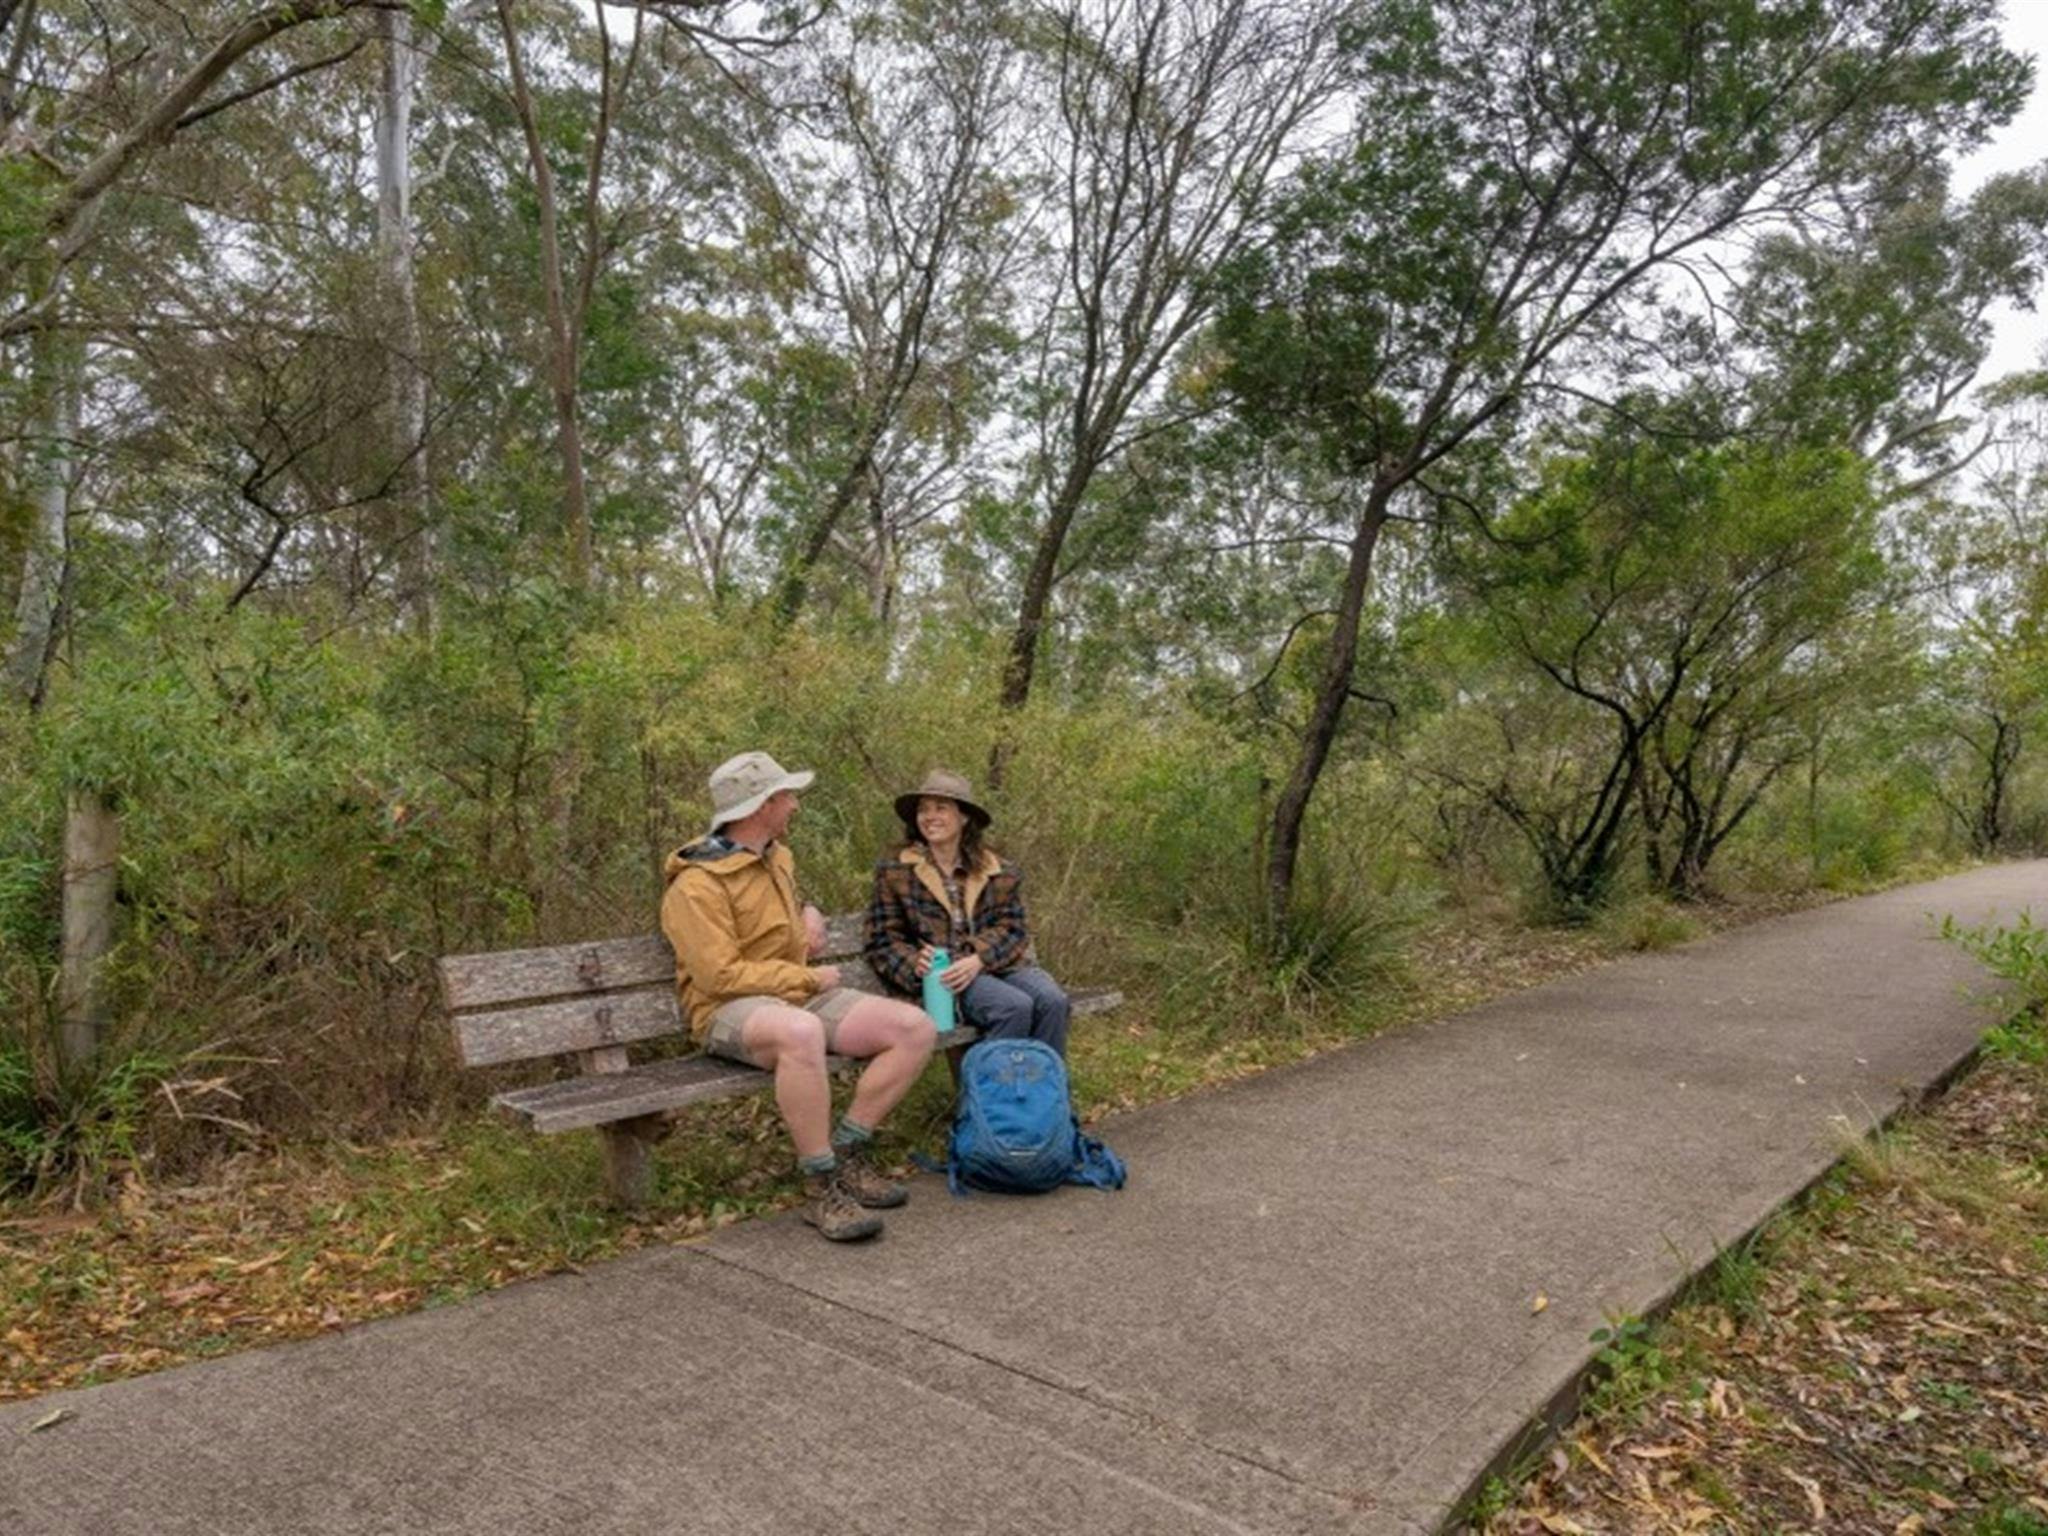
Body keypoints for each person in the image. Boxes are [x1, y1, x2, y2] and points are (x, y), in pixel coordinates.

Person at [662, 751, 935, 1243]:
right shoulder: (696, 885)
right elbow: (719, 976)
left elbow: (775, 914)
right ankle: (819, 1182)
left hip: (788, 995)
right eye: (786, 795)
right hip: (727, 1011)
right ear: (759, 806)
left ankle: (849, 1151)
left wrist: (808, 912)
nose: (794, 804)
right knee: (801, 1032)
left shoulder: (776, 857)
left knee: (914, 1028)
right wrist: (806, 980)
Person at [865, 769, 1071, 1056]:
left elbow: (1014, 928)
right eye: (923, 809)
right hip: (945, 978)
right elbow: (882, 941)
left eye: (941, 808)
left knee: (1053, 1001)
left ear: (963, 818)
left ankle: (1044, 1095)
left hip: (996, 966)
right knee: (1012, 1008)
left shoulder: (996, 869)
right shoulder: (896, 870)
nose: (930, 816)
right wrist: (916, 964)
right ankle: (990, 1099)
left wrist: (980, 958)